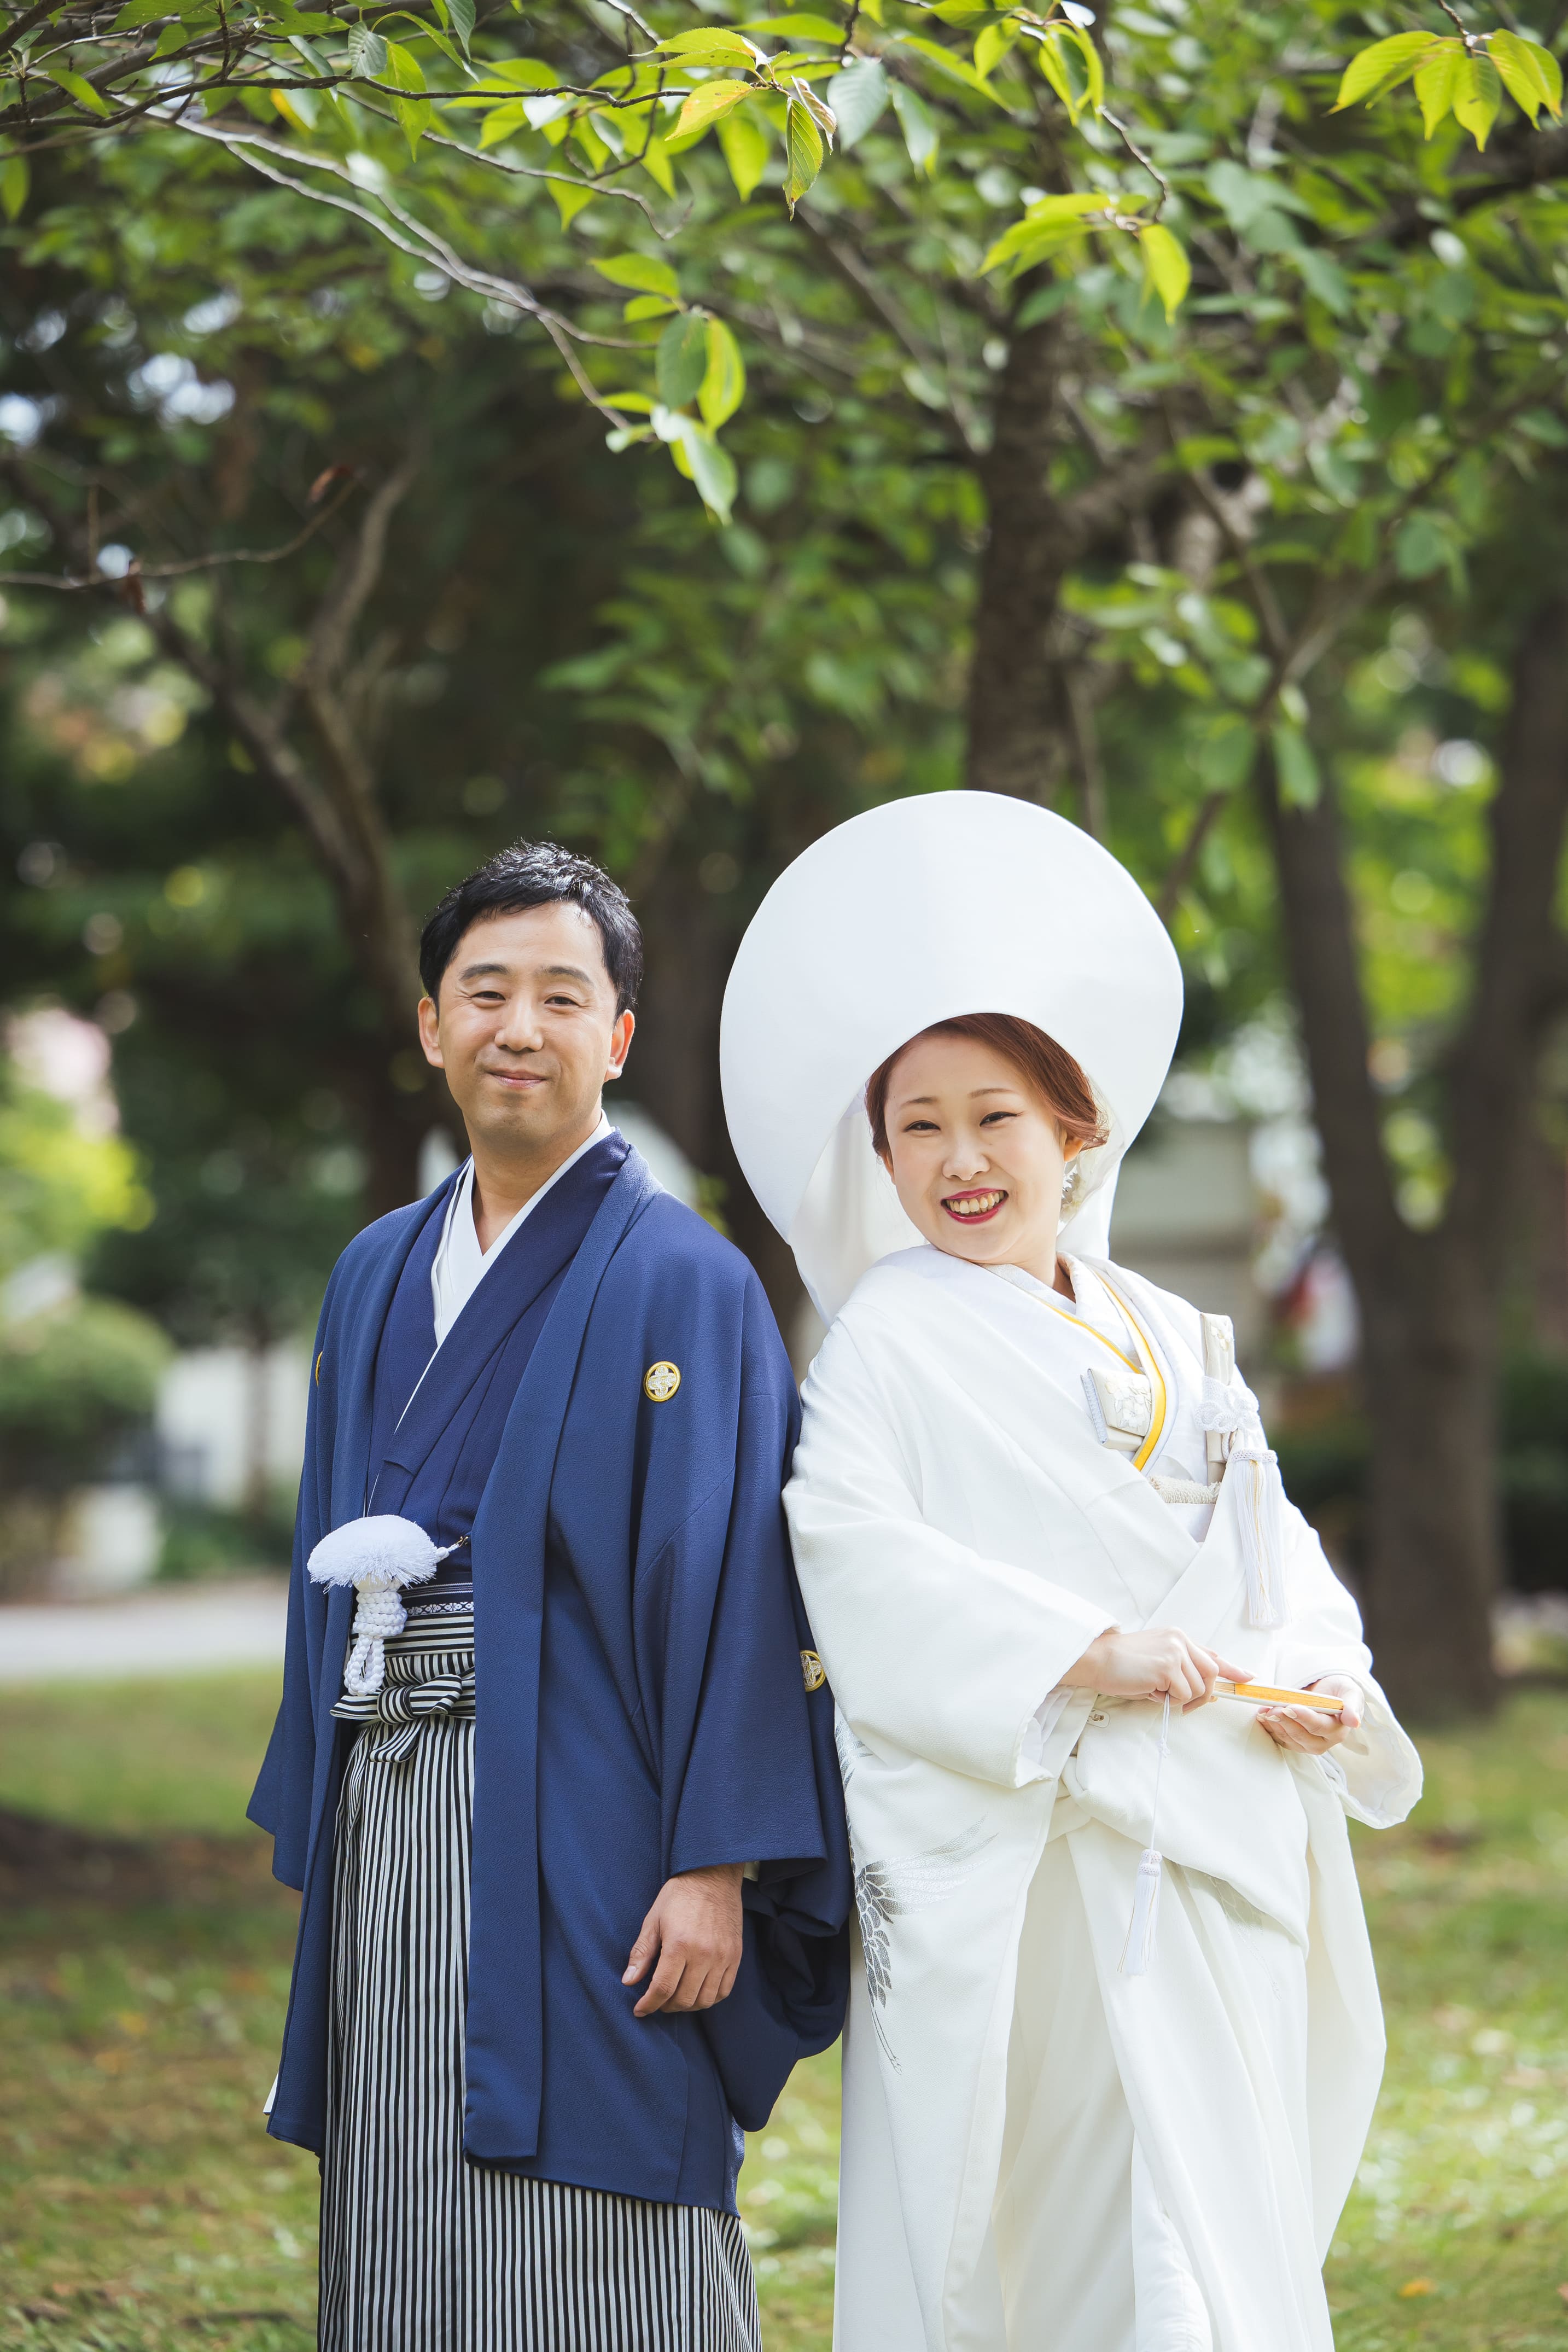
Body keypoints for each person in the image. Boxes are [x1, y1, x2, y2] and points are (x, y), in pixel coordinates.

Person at [719, 793, 1422, 2352]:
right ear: (881, 1155)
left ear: (1075, 1129)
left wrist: (1318, 1676)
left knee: (1210, 2204)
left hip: (1211, 1810)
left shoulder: (1175, 1333)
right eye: (918, 1125)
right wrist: (1073, 1650)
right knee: (1067, 2226)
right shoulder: (884, 1342)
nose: (960, 1158)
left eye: (996, 1116)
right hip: (1044, 1846)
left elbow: (1272, 1543)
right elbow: (847, 1552)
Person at [250, 840, 850, 2352]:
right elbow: (327, 1534)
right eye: (486, 991)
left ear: (617, 1035)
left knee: (610, 2124)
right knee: (405, 2128)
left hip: (597, 1798)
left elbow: (735, 1581)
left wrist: (717, 1863)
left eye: (560, 996)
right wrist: (323, 1786)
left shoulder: (685, 1280)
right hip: (394, 1784)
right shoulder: (375, 1271)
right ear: (432, 1024)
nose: (520, 1026)